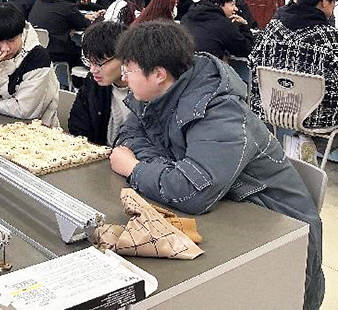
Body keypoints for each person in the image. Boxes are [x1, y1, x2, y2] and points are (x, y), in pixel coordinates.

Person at [111, 21, 324, 310]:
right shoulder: (154, 97)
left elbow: (192, 192)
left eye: (129, 70)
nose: (124, 77)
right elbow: (128, 137)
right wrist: (165, 170)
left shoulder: (221, 112)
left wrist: (135, 169)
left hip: (278, 234)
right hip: (225, 214)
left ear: (159, 74)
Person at [249, 0, 338, 131]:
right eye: (334, 3)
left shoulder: (272, 28)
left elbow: (251, 62)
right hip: (317, 119)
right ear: (324, 1)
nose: (333, 8)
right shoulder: (330, 37)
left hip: (269, 110)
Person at [67, 21, 129, 145]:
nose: (93, 70)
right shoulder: (93, 82)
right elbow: (77, 127)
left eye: (99, 63)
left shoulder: (145, 90)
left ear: (124, 57)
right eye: (89, 62)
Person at [181, 0, 254, 59]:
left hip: (185, 64)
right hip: (208, 66)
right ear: (218, 4)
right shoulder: (224, 25)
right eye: (232, 4)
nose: (236, 9)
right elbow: (245, 49)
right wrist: (244, 25)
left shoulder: (186, 18)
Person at [27, 0, 90, 66]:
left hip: (37, 49)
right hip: (57, 50)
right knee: (84, 55)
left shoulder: (39, 2)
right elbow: (82, 24)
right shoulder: (67, 5)